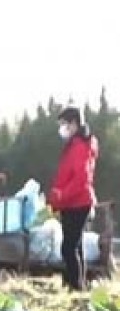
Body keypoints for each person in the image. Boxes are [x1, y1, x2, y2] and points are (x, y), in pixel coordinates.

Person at [48, 107, 98, 292]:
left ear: (74, 124)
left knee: (68, 248)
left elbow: (81, 179)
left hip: (78, 203)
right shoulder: (75, 144)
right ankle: (77, 285)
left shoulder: (80, 146)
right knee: (75, 246)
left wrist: (61, 195)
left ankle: (75, 286)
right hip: (73, 203)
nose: (61, 129)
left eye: (63, 124)